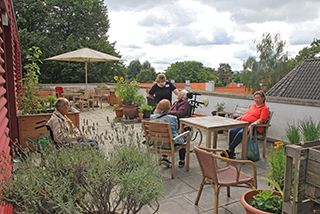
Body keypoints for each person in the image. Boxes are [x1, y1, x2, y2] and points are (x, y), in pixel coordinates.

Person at [224, 91, 270, 159]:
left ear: (263, 98)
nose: (256, 99)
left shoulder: (264, 109)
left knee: (241, 133)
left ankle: (229, 150)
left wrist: (252, 124)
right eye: (255, 98)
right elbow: (247, 114)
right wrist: (240, 118)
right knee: (232, 131)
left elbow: (261, 120)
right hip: (243, 124)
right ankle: (231, 152)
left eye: (258, 98)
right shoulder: (253, 106)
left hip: (253, 128)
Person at [150, 99, 186, 168]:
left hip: (156, 142)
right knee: (183, 138)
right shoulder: (173, 118)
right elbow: (176, 129)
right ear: (169, 108)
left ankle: (165, 158)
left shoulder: (152, 117)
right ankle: (182, 161)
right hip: (169, 144)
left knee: (165, 138)